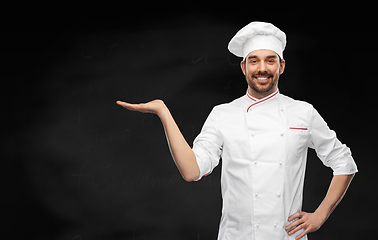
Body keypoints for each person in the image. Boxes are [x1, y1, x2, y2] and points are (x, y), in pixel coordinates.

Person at [116, 21, 357, 240]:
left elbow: (343, 161)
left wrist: (321, 214)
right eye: (254, 60)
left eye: (270, 60)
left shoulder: (303, 112)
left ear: (281, 66)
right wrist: (163, 112)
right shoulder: (223, 115)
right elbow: (191, 171)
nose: (262, 68)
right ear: (243, 67)